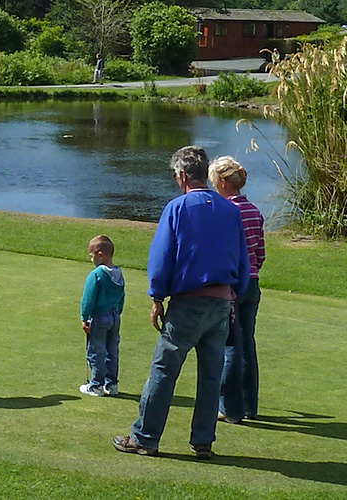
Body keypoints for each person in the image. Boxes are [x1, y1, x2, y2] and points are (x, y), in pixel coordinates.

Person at [112, 146, 250, 460]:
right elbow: (243, 260)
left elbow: (161, 258)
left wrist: (157, 297)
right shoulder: (231, 210)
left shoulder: (177, 208)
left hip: (189, 304)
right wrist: (233, 297)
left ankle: (145, 437)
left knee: (164, 370)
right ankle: (203, 441)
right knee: (211, 375)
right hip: (221, 303)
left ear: (183, 176)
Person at [210, 157, 266, 424]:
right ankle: (248, 406)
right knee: (247, 343)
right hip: (252, 283)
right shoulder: (254, 211)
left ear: (222, 182)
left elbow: (224, 252)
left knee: (231, 343)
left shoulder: (224, 212)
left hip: (232, 284)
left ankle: (230, 408)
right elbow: (260, 253)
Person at [79, 235, 125, 397]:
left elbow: (88, 298)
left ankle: (96, 385)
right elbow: (121, 297)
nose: (91, 259)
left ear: (100, 255)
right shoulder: (119, 273)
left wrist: (85, 317)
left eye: (91, 256)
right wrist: (118, 311)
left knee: (96, 351)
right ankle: (111, 384)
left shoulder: (96, 274)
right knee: (112, 350)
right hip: (114, 317)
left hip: (99, 317)